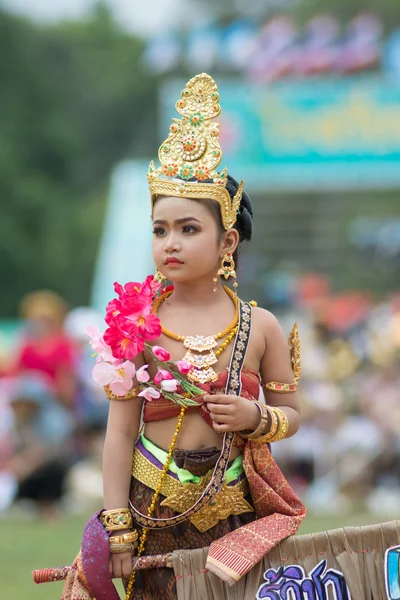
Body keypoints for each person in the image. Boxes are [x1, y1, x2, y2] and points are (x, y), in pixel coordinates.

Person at [60, 73, 306, 600]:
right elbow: (120, 435)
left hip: (236, 508)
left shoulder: (258, 326)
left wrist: (257, 418)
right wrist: (117, 527)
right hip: (151, 506)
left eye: (189, 229)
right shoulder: (135, 324)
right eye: (159, 229)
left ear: (228, 240)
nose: (170, 243)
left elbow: (293, 415)